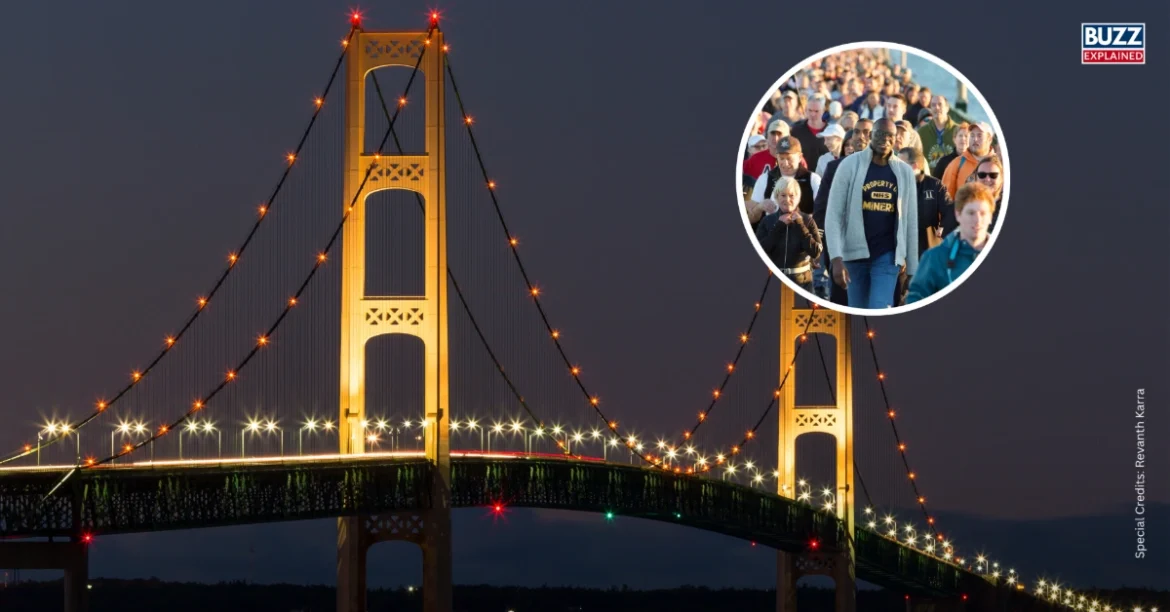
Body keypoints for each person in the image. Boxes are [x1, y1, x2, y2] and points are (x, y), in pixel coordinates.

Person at [824, 118, 919, 309]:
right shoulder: (849, 165)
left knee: (879, 308)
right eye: (880, 134)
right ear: (871, 136)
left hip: (888, 257)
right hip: (853, 256)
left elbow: (910, 221)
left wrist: (912, 269)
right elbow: (834, 215)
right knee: (857, 312)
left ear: (896, 139)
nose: (885, 140)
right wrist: (835, 258)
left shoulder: (904, 172)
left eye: (890, 136)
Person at [905, 182, 995, 303]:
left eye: (983, 213)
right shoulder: (934, 258)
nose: (977, 220)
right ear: (958, 214)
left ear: (990, 217)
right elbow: (916, 299)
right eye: (971, 213)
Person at [756, 177, 823, 294]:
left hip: (803, 283)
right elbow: (760, 250)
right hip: (774, 281)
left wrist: (801, 225)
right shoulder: (767, 221)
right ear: (776, 197)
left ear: (798, 198)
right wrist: (779, 226)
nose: (787, 199)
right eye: (783, 195)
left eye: (792, 195)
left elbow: (816, 252)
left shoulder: (808, 220)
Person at [940, 121, 993, 196]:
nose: (975, 139)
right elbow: (945, 200)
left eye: (979, 135)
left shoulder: (999, 166)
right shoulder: (956, 163)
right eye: (972, 135)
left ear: (989, 139)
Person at [917, 95, 957, 171]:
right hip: (929, 179)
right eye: (933, 105)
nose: (937, 107)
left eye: (940, 104)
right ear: (930, 108)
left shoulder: (957, 130)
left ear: (947, 108)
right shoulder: (921, 132)